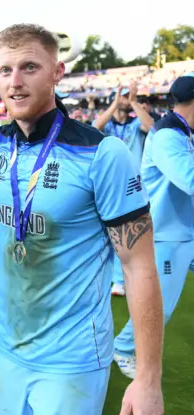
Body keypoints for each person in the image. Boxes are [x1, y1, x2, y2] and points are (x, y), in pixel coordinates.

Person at [0, 24, 164, 415]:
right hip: (8, 349)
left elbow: (139, 267)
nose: (15, 82)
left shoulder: (103, 154)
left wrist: (147, 380)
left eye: (29, 67)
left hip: (72, 359)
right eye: (5, 70)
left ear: (57, 72)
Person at [113, 73, 194, 380]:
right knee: (161, 306)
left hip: (183, 230)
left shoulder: (179, 132)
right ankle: (122, 347)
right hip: (166, 234)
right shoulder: (167, 136)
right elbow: (190, 180)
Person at [92, 83, 155, 297]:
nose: (125, 100)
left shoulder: (136, 123)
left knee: (135, 234)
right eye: (123, 96)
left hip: (136, 185)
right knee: (111, 234)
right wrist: (114, 104)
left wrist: (135, 102)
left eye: (127, 96)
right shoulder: (108, 126)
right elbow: (94, 128)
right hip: (109, 184)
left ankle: (130, 278)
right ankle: (117, 279)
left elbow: (151, 128)